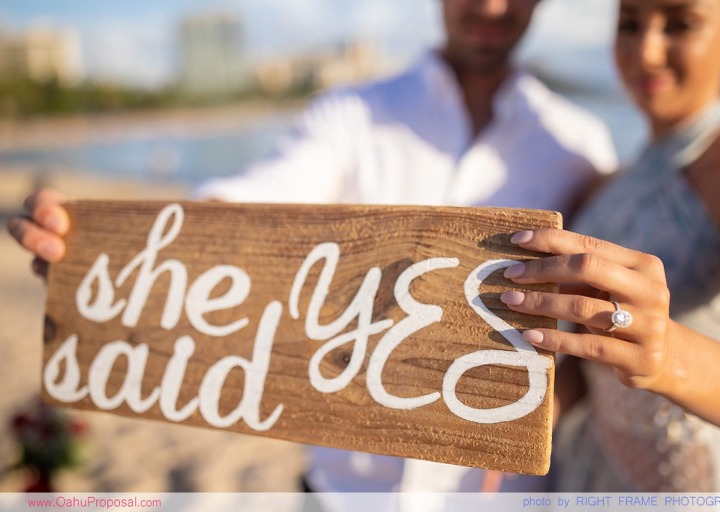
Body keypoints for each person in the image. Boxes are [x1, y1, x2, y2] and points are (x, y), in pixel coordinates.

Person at [7, 0, 617, 499]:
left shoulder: (578, 143)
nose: (490, 5)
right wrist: (114, 245)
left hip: (497, 491)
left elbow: (591, 321)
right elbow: (253, 206)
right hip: (340, 483)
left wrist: (549, 407)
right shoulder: (352, 114)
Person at [500, 0, 720, 492]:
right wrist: (517, 425)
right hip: (587, 473)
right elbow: (589, 357)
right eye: (629, 23)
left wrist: (666, 354)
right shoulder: (604, 186)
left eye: (680, 23)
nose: (646, 51)